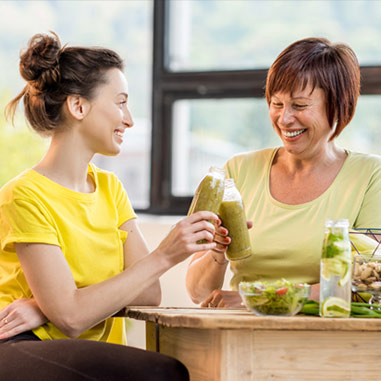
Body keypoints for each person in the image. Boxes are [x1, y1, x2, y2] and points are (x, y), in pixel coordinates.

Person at [0, 32, 220, 380]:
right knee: (161, 373)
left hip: (62, 338)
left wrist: (47, 306)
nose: (129, 119)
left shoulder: (109, 187)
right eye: (120, 102)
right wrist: (163, 256)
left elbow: (149, 292)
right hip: (19, 343)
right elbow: (72, 320)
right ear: (78, 106)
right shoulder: (24, 195)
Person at [186, 37, 381, 308]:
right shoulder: (237, 172)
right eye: (276, 104)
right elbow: (199, 293)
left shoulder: (371, 175)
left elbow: (369, 284)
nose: (284, 118)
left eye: (299, 106)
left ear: (338, 105)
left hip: (330, 338)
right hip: (239, 334)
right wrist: (218, 252)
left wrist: (258, 299)